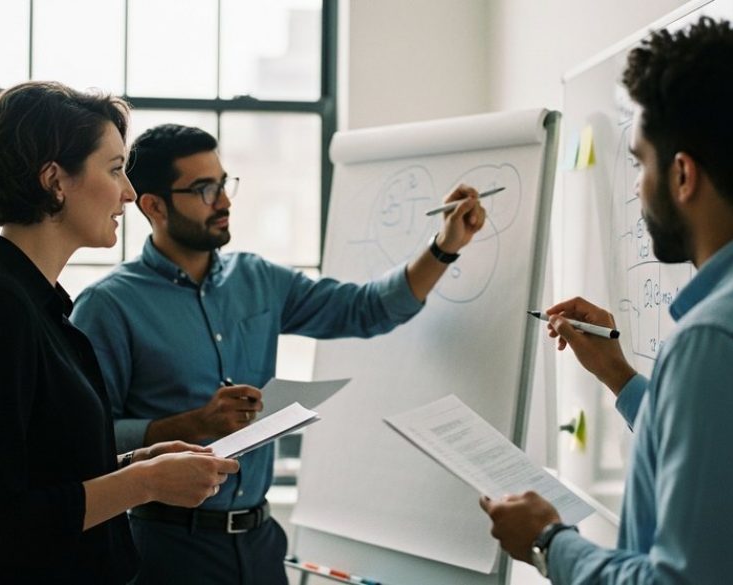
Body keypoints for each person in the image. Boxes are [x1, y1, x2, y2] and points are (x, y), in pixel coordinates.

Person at [482, 17, 733, 584]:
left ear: (682, 175)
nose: (635, 186)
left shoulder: (717, 344)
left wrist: (550, 543)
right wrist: (621, 378)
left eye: (638, 161)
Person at [69, 123, 487, 584]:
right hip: (165, 551)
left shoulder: (259, 279)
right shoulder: (108, 305)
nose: (224, 201)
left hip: (261, 545)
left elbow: (365, 310)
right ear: (153, 206)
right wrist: (191, 426)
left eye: (224, 184)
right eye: (205, 189)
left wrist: (444, 246)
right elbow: (84, 442)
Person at [0, 81, 240, 584]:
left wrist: (138, 460)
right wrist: (143, 483)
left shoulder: (30, 303)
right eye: (115, 170)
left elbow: (40, 472)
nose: (129, 193)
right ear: (55, 181)